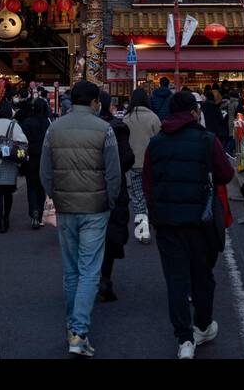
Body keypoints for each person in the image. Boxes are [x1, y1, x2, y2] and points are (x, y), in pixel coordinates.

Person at [143, 89, 234, 359]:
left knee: (176, 280)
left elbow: (148, 183)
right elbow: (226, 174)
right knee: (202, 276)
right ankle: (203, 325)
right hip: (201, 220)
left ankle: (184, 339)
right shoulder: (207, 140)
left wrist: (154, 212)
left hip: (168, 222)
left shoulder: (157, 142)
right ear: (194, 113)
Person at [39, 80, 121, 357]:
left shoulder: (54, 128)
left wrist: (55, 195)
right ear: (95, 102)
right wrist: (110, 199)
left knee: (71, 269)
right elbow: (113, 173)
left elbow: (45, 171)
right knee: (89, 270)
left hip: (65, 206)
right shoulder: (104, 129)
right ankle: (79, 331)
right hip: (95, 207)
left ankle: (72, 327)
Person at [97, 90, 135, 302]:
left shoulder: (82, 129)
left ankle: (88, 277)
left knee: (87, 235)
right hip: (113, 188)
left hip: (85, 189)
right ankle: (105, 276)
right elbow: (127, 158)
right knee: (110, 234)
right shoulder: (117, 128)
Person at [0, 99, 29, 231]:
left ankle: (0, 221)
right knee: (8, 193)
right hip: (9, 163)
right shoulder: (14, 124)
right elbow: (22, 141)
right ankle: (6, 217)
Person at [124, 86, 161, 243]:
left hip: (133, 165)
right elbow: (160, 141)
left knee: (138, 199)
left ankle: (143, 232)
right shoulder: (153, 118)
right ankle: (157, 223)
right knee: (153, 196)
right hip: (151, 164)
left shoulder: (126, 118)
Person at [20, 96, 52, 227]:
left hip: (30, 158)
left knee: (31, 187)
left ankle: (33, 210)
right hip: (44, 158)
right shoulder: (47, 122)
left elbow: (22, 141)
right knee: (41, 187)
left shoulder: (27, 122)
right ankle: (39, 214)